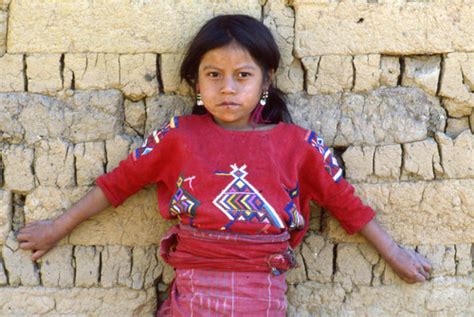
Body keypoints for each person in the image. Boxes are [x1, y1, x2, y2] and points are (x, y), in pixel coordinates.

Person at [17, 14, 431, 316]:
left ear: (266, 81)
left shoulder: (299, 145)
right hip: (192, 294)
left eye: (242, 75)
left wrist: (394, 254)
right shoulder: (177, 137)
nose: (227, 88)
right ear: (197, 83)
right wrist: (56, 228)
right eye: (213, 74)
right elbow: (116, 186)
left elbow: (344, 204)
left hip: (261, 295)